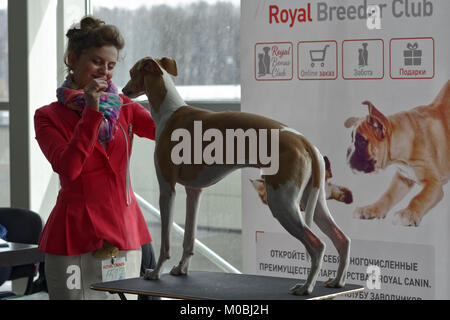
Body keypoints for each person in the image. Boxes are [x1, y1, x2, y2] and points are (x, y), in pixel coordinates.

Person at [34, 16, 157, 300]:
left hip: (123, 236)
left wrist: (164, 91)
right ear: (73, 58)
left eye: (111, 65)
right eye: (97, 62)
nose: (105, 71)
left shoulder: (125, 107)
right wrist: (91, 112)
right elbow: (69, 169)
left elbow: (168, 132)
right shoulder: (47, 116)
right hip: (72, 239)